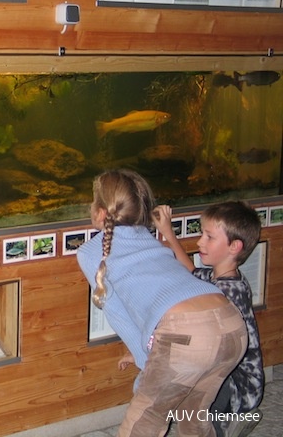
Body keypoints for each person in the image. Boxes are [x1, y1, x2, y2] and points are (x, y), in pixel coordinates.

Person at [77, 169, 248, 437]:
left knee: (144, 422)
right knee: (194, 418)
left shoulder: (90, 252)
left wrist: (147, 366)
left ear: (100, 212)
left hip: (187, 337)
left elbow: (119, 316)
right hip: (232, 325)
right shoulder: (149, 239)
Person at [154, 202, 264, 437]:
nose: (199, 242)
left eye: (209, 237)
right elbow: (191, 272)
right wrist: (168, 233)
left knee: (193, 396)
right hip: (229, 373)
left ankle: (224, 424)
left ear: (234, 246)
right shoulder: (221, 277)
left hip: (238, 384)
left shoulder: (227, 291)